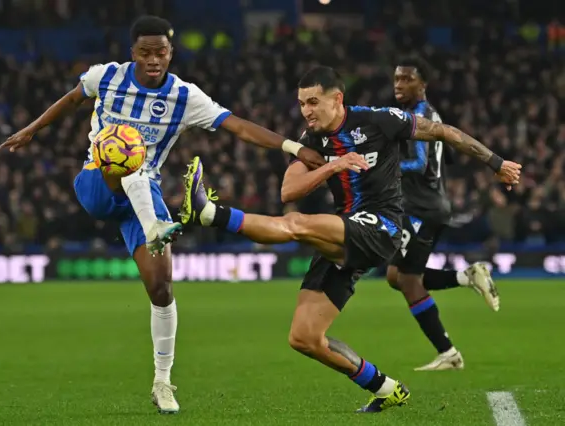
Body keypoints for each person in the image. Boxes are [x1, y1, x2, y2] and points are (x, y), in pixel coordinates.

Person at [0, 16, 326, 414]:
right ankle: (154, 224)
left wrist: (293, 147)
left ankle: (162, 382)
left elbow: (237, 126)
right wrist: (32, 129)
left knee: (162, 290)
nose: (154, 60)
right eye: (146, 53)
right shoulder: (106, 77)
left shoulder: (185, 97)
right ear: (132, 53)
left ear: (171, 53)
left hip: (145, 194)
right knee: (129, 150)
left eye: (162, 52)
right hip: (97, 183)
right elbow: (72, 98)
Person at [179, 66, 521, 412]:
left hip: (382, 226)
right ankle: (385, 387)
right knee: (304, 338)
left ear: (337, 98)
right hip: (348, 230)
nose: (306, 111)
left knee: (297, 223)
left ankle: (210, 214)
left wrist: (496, 162)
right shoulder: (311, 140)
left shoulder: (378, 121)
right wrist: (332, 166)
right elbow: (288, 189)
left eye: (313, 102)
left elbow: (444, 132)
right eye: (301, 104)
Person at [387, 58, 500, 372]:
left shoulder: (422, 116)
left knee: (408, 280)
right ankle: (467, 276)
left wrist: (383, 169)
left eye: (406, 79)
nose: (398, 85)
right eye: (396, 79)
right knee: (395, 277)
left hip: (423, 207)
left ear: (422, 84)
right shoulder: (413, 116)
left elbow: (420, 165)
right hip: (419, 206)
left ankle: (448, 352)